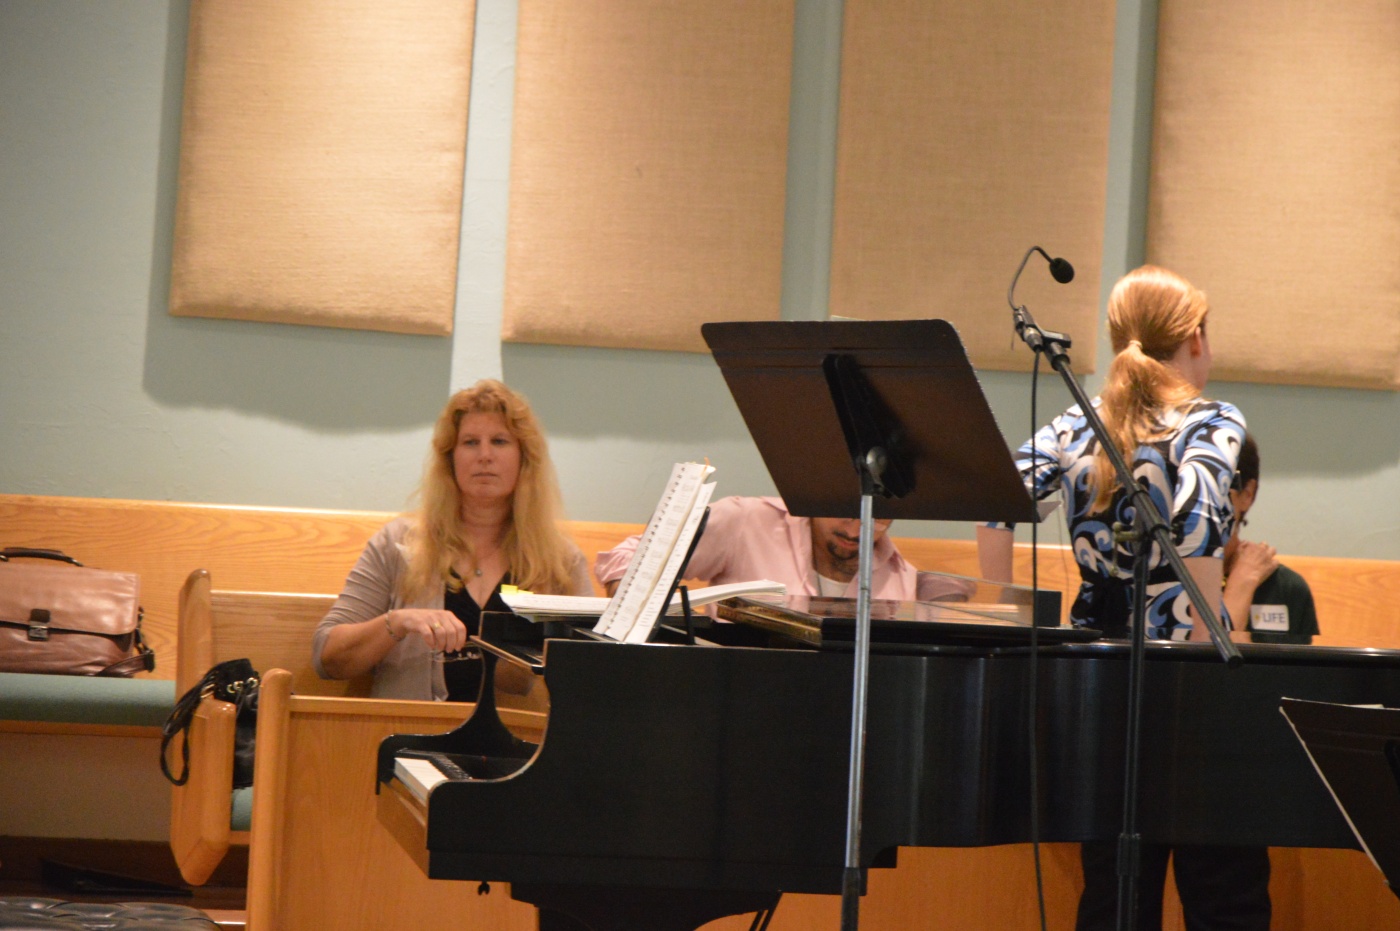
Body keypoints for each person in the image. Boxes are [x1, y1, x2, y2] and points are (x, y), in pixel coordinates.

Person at [977, 265, 1265, 930]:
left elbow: (997, 502)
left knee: (1113, 892)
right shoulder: (1212, 419)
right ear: (1196, 337)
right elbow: (1196, 526)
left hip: (1098, 685)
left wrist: (1002, 611)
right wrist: (1204, 658)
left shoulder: (1077, 423)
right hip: (1187, 684)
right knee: (1224, 893)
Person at [313, 380, 592, 701]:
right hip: (412, 728)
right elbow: (327, 657)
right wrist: (398, 622)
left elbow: (591, 674)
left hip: (519, 733)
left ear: (524, 458)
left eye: (499, 441)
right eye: (470, 442)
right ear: (450, 458)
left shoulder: (560, 561)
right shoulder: (396, 544)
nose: (484, 455)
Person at [594, 495, 924, 601]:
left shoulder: (902, 580)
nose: (856, 530)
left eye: (879, 518)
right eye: (845, 510)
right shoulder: (745, 522)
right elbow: (627, 558)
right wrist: (633, 596)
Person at [1224, 433, 1319, 645]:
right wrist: (1241, 585)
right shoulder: (1155, 583)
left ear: (1247, 494)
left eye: (1215, 487)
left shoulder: (1287, 588)